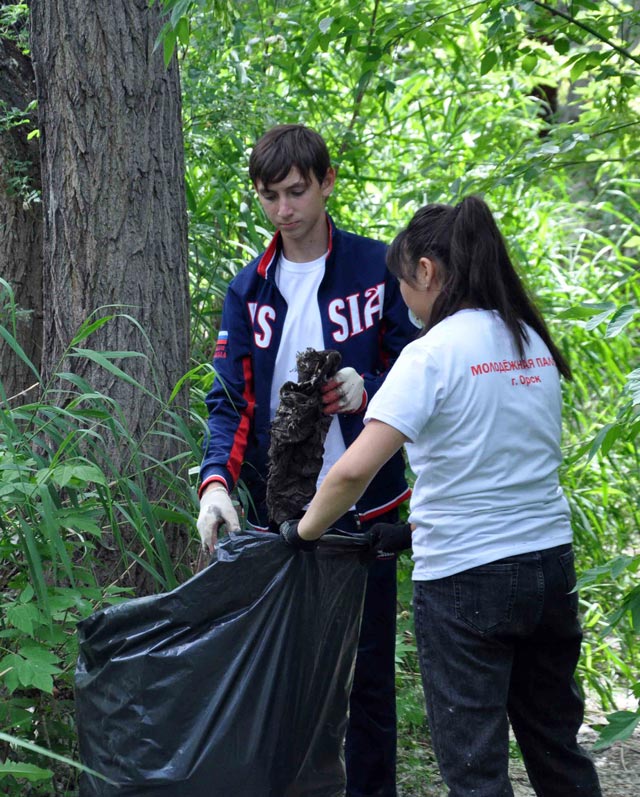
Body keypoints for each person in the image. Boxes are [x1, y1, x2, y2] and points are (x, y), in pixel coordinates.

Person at [282, 195, 603, 796]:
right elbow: (499, 468)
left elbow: (352, 473)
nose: (402, 298)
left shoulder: (429, 354)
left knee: (476, 771)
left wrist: (304, 534)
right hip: (550, 570)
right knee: (557, 748)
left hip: (466, 585)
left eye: (403, 283)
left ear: (426, 272)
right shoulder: (530, 341)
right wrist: (406, 531)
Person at [197, 124, 417, 797]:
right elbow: (230, 399)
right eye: (269, 196)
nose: (284, 210)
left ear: (326, 182)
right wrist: (215, 484)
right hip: (282, 513)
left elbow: (419, 367)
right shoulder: (250, 291)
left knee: (371, 677)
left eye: (296, 191)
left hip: (366, 507)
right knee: (285, 675)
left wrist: (368, 388)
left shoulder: (375, 269)